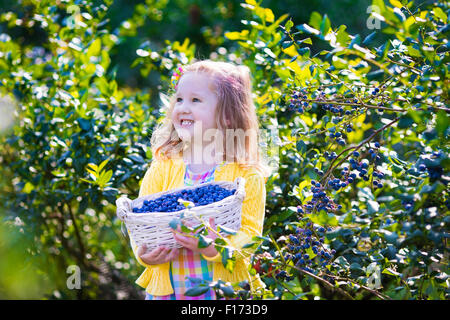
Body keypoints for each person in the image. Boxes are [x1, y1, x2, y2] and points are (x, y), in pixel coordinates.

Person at [129, 60, 271, 300]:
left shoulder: (246, 174)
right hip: (169, 292)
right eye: (179, 99)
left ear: (227, 115)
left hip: (222, 291)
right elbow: (141, 224)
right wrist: (143, 254)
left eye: (195, 100)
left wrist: (214, 247)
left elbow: (249, 234)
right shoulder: (163, 167)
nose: (183, 107)